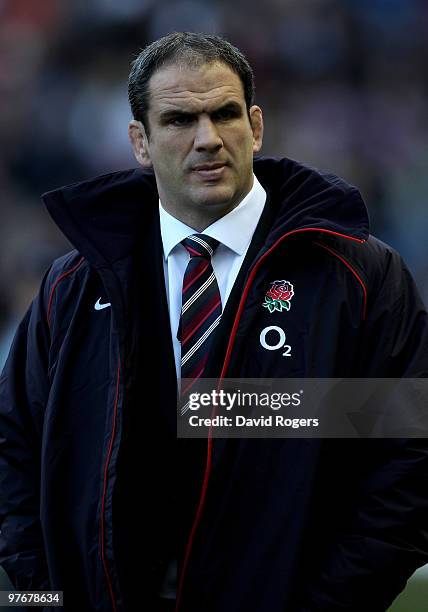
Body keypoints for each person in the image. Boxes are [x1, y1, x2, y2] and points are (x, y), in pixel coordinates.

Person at [1, 31, 428, 612]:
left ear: (255, 126)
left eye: (224, 113)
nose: (207, 139)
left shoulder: (357, 275)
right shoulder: (73, 287)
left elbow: (406, 459)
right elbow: (12, 456)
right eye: (179, 120)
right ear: (140, 142)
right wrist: (46, 601)